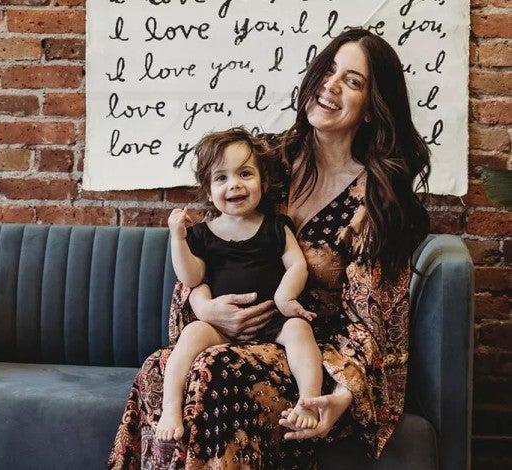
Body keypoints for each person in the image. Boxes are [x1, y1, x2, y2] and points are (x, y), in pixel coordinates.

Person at [109, 27, 430, 469]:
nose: (331, 86)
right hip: (225, 334)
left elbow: (373, 324)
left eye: (353, 81)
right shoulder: (264, 162)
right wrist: (204, 306)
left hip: (309, 354)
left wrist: (338, 400)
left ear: (373, 108)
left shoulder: (374, 202)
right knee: (158, 370)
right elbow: (207, 247)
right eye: (328, 70)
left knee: (212, 374)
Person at [157, 127, 323, 443]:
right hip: (221, 327)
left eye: (245, 174)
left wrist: (286, 297)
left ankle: (309, 401)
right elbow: (191, 278)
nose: (234, 184)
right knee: (191, 334)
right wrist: (177, 239)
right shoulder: (202, 235)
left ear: (263, 182)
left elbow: (296, 263)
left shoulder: (276, 226)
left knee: (301, 330)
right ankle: (170, 407)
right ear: (207, 190)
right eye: (221, 178)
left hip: (272, 321)